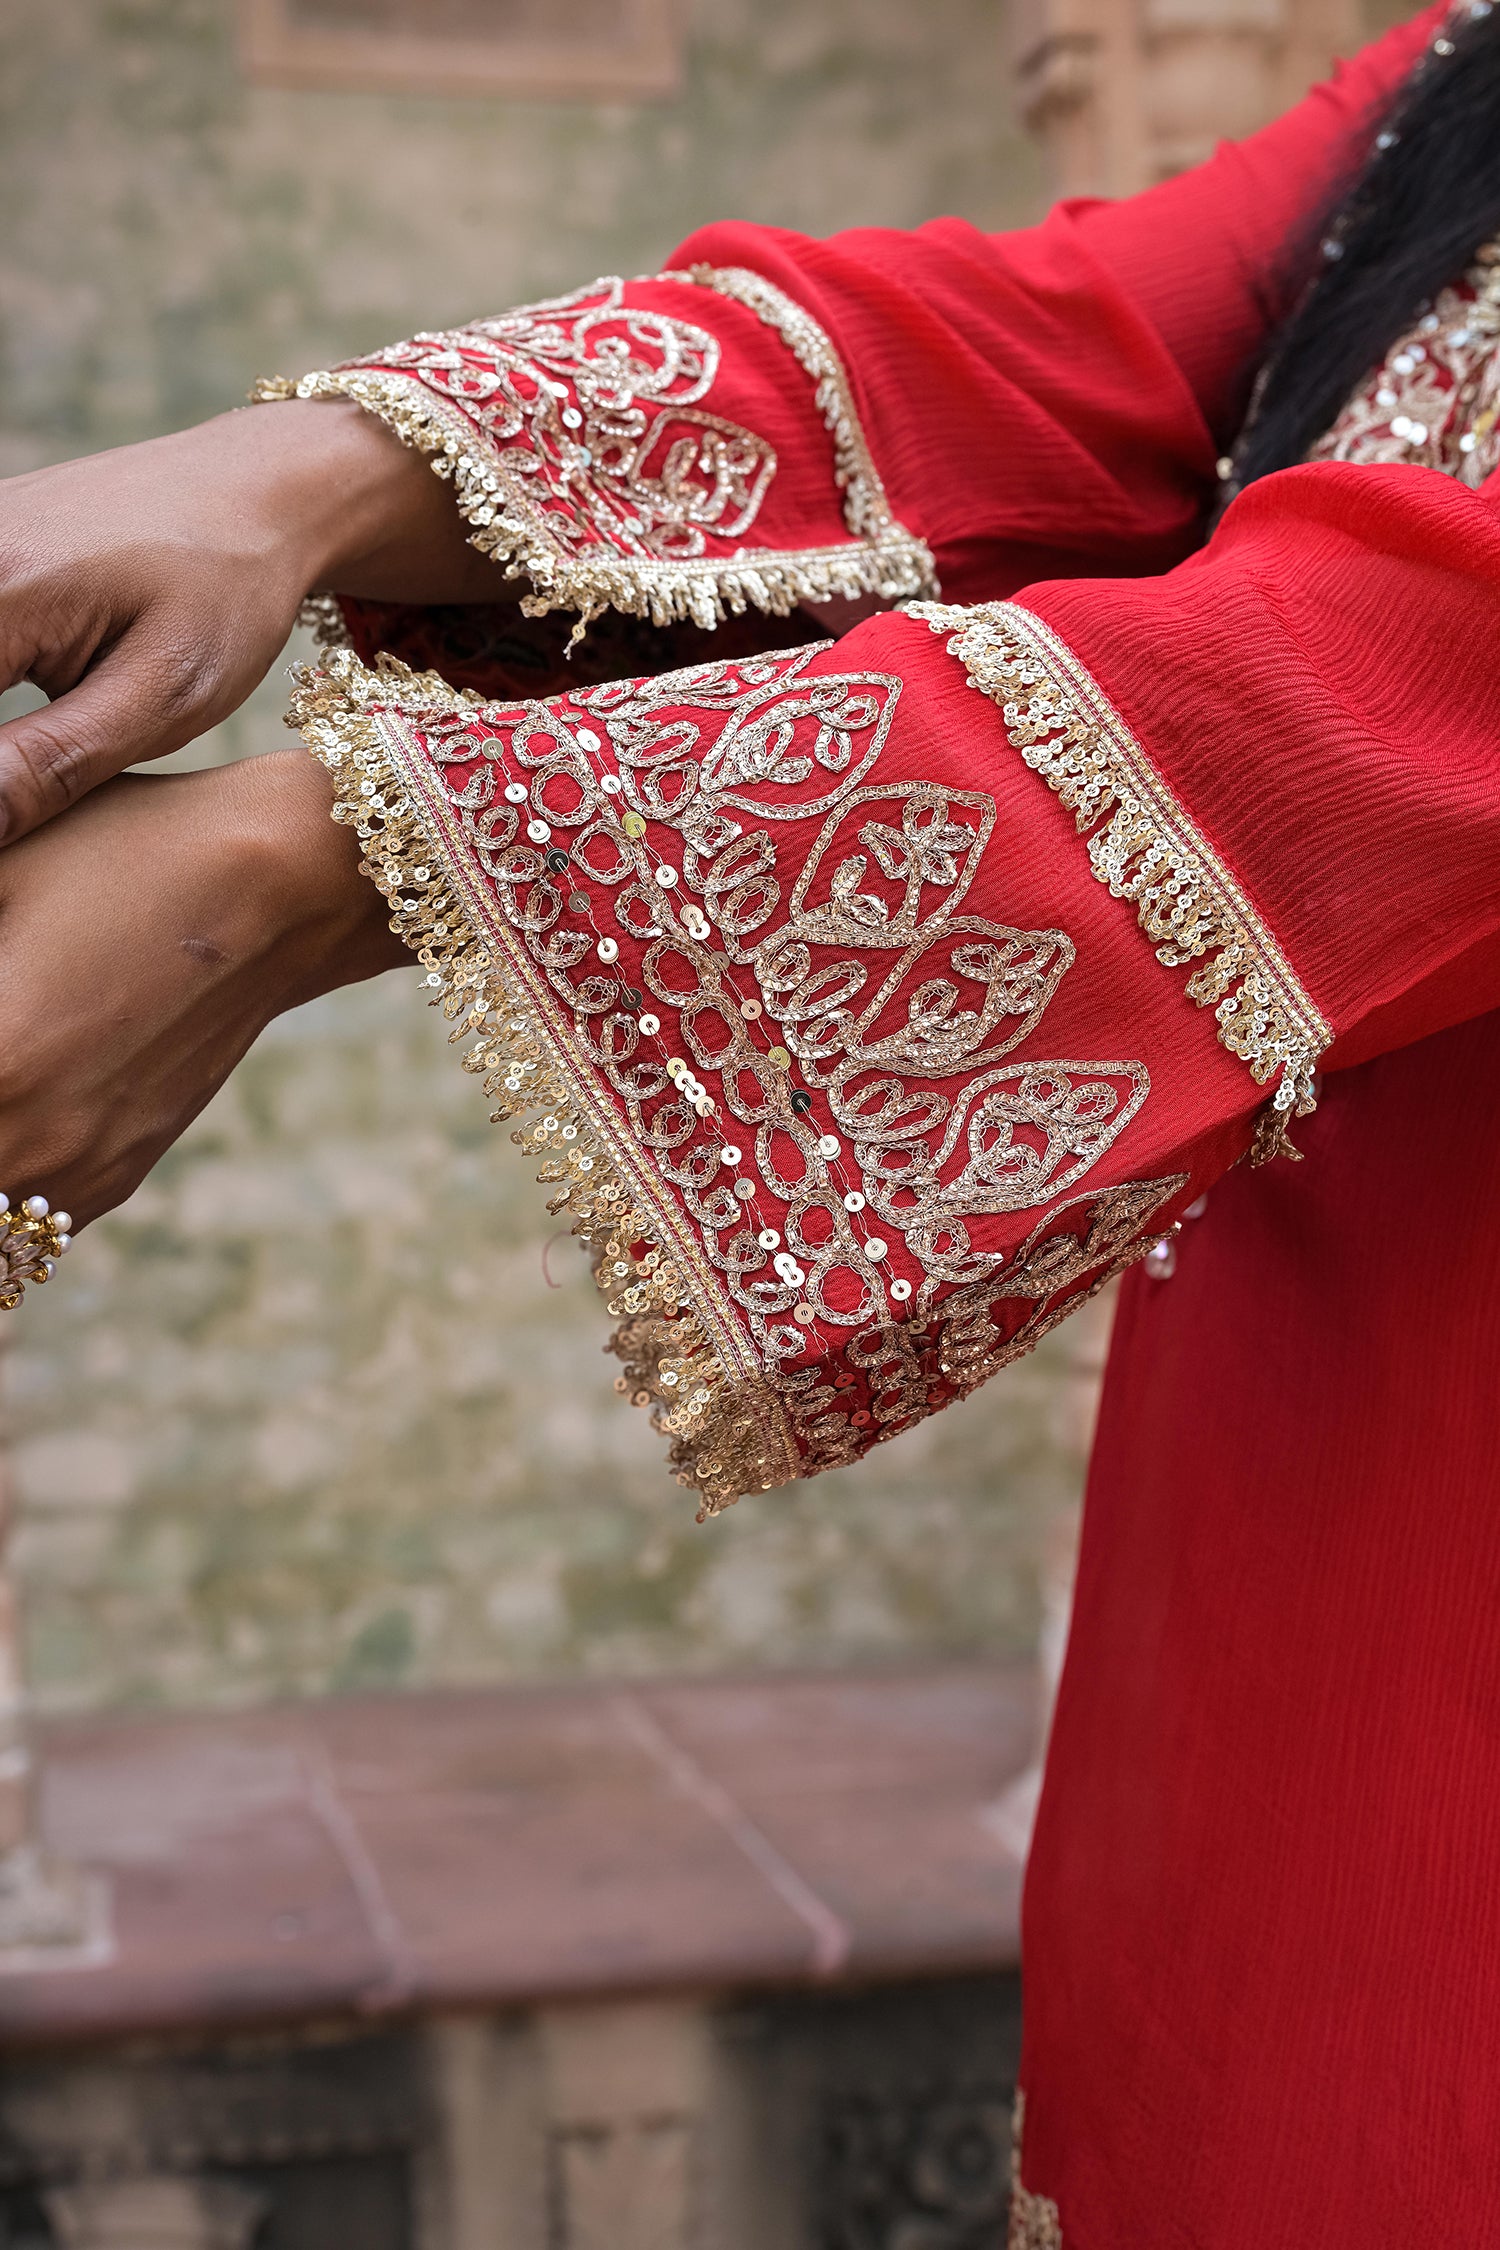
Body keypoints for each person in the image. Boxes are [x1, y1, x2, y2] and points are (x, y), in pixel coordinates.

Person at [0, 1, 1495, 2236]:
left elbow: (1401, 674)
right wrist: (284, 483)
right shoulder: (1457, 71)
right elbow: (1074, 347)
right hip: (1271, 1549)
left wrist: (307, 867)